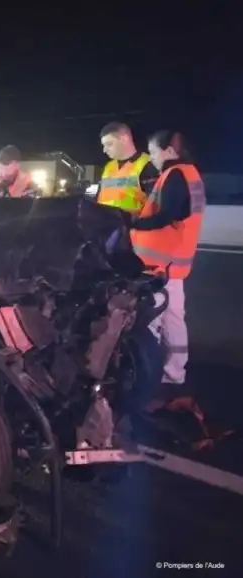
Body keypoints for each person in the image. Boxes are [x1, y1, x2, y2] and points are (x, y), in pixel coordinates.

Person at [129, 130, 206, 419]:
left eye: (154, 151)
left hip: (162, 264)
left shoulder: (175, 175)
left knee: (153, 319)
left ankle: (149, 377)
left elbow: (167, 215)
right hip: (174, 262)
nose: (152, 156)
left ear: (169, 151)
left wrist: (135, 222)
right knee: (174, 317)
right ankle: (173, 374)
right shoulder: (190, 175)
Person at [97, 121, 159, 213]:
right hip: (105, 225)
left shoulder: (148, 165)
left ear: (125, 139)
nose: (104, 150)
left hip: (132, 225)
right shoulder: (109, 167)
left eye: (109, 144)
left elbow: (156, 206)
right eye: (103, 146)